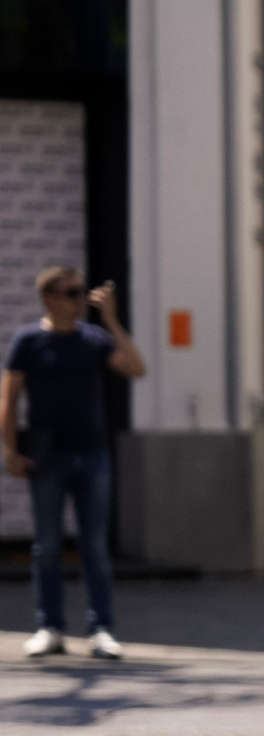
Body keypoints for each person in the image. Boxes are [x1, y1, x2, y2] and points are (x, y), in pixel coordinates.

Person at [3, 267, 144, 660]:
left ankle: (101, 629)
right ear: (50, 298)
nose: (81, 298)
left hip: (92, 453)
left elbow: (136, 368)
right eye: (72, 292)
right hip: (47, 457)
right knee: (46, 546)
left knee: (95, 546)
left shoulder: (94, 338)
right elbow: (9, 398)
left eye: (82, 291)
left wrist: (112, 320)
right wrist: (11, 451)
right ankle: (50, 626)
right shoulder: (28, 340)